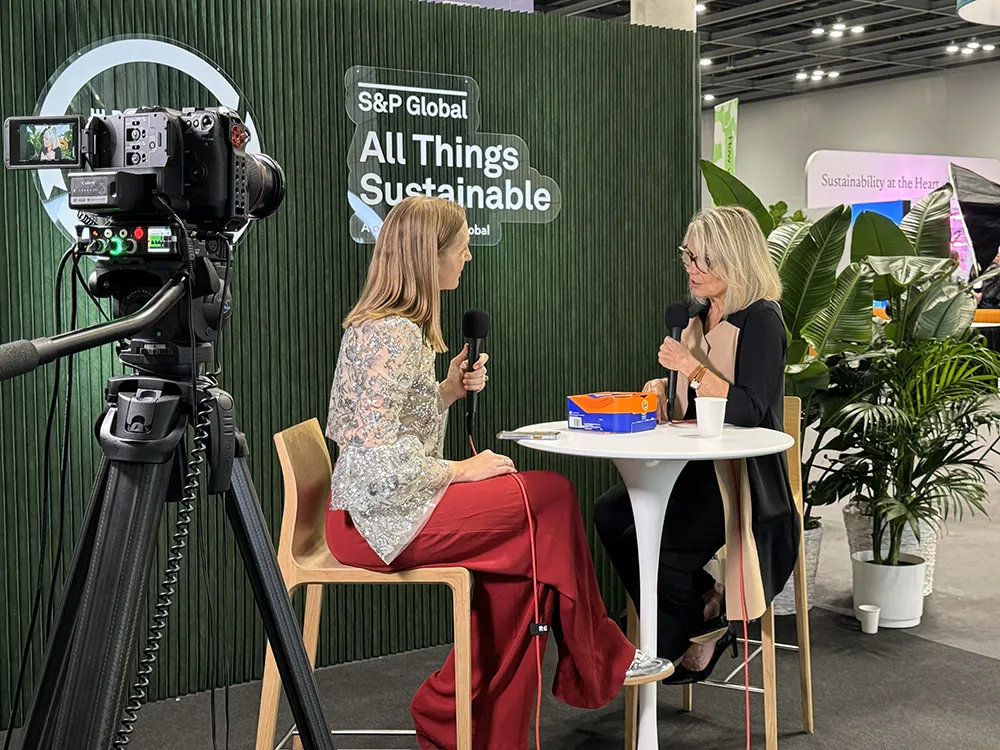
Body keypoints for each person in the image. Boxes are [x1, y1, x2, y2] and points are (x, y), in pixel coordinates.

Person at [325, 195, 671, 750]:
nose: (466, 259)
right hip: (373, 522)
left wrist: (445, 391)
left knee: (527, 576)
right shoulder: (387, 335)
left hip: (387, 508)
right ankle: (599, 657)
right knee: (551, 497)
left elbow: (391, 431)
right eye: (461, 249)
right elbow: (378, 466)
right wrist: (462, 469)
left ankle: (458, 716)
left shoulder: (398, 330)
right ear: (426, 256)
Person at [594, 205, 800, 684]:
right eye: (688, 256)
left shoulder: (762, 320)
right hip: (690, 464)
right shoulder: (694, 318)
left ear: (736, 259)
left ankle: (668, 647)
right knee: (610, 515)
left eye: (703, 258)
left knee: (656, 544)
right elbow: (693, 410)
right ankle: (701, 615)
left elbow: (748, 409)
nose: (691, 267)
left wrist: (691, 369)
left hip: (740, 476)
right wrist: (664, 393)